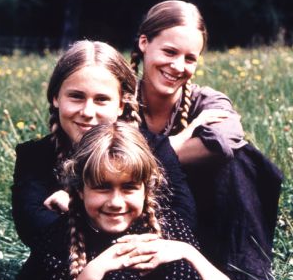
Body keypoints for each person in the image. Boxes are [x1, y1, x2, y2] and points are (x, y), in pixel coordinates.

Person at [14, 122, 250, 280]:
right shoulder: (60, 238)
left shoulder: (170, 229)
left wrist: (187, 252)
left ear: (146, 189)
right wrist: (94, 272)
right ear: (81, 190)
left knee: (179, 269)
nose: (116, 202)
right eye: (102, 187)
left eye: (128, 188)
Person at [131, 0, 286, 280]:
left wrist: (142, 161)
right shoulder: (119, 98)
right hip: (133, 213)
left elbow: (227, 139)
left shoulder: (207, 99)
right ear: (143, 43)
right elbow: (104, 163)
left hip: (203, 216)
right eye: (168, 52)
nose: (178, 67)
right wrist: (182, 141)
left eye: (190, 58)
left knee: (243, 161)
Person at [11, 40, 195, 250]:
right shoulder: (34, 156)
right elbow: (35, 230)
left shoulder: (154, 149)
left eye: (101, 100)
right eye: (76, 97)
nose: (88, 112)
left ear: (120, 105)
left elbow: (182, 222)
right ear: (55, 98)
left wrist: (76, 210)